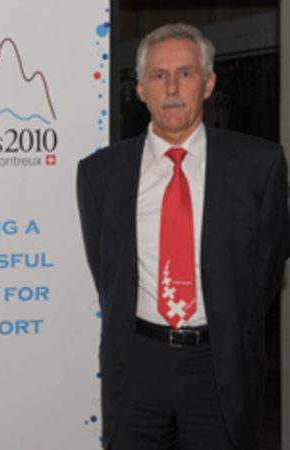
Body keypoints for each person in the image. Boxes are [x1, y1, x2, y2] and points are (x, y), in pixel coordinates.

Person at [77, 23, 288, 450]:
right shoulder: (100, 174)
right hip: (137, 365)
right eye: (159, 75)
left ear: (208, 84)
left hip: (219, 365)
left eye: (186, 74)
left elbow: (264, 274)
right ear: (141, 89)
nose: (172, 88)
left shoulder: (259, 166)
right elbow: (108, 274)